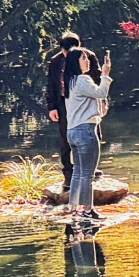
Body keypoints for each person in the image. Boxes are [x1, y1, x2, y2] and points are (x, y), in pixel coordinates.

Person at [64, 46, 112, 219]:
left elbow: (86, 102)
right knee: (87, 174)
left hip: (72, 131)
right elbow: (101, 93)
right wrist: (105, 74)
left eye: (87, 57)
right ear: (75, 62)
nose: (87, 60)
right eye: (83, 58)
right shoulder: (82, 80)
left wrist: (99, 111)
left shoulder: (70, 82)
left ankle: (73, 207)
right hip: (85, 130)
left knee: (77, 171)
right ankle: (87, 210)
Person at [47, 32, 81, 188]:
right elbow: (51, 86)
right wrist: (52, 107)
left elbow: (97, 79)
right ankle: (68, 174)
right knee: (66, 138)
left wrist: (102, 102)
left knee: (89, 135)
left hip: (83, 102)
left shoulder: (86, 58)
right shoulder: (55, 62)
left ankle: (89, 169)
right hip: (63, 102)